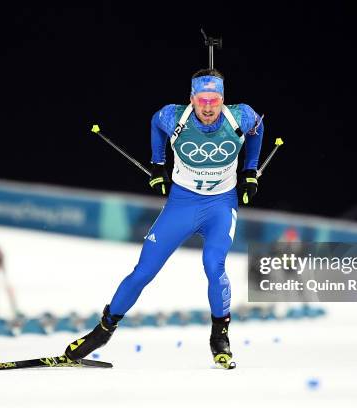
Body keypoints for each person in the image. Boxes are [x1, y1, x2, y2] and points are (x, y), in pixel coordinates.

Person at [64, 68, 264, 368]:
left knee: (214, 264)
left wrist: (250, 169)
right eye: (202, 100)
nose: (208, 107)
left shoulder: (241, 116)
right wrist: (158, 164)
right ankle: (102, 331)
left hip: (221, 205)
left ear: (223, 100)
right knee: (143, 271)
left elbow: (259, 126)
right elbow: (155, 123)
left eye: (215, 100)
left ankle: (219, 335)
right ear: (191, 99)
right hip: (181, 204)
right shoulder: (174, 117)